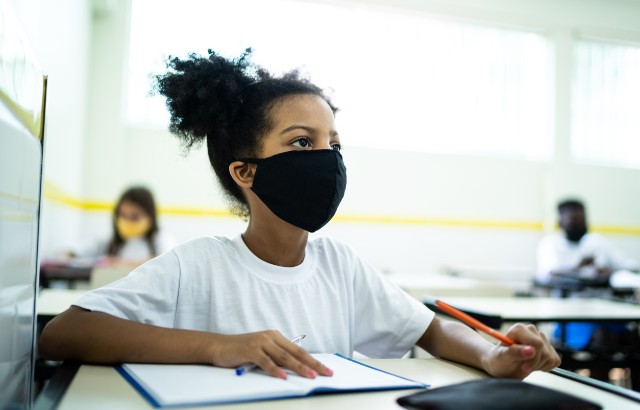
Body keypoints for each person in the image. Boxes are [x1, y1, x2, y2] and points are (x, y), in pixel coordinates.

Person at [39, 49, 560, 380]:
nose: (327, 159)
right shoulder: (195, 266)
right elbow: (64, 333)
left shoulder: (341, 266)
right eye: (302, 142)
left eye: (333, 142)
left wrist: (492, 353)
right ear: (245, 172)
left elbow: (434, 331)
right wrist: (217, 347)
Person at [536, 199, 639, 366]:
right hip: (570, 316)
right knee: (602, 338)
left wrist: (609, 272)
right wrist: (577, 267)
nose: (578, 222)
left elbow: (630, 265)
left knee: (631, 337)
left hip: (605, 313)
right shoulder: (551, 244)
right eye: (573, 219)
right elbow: (548, 273)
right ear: (560, 221)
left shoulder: (597, 242)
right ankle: (598, 386)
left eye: (581, 218)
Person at [72, 186, 177, 268]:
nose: (127, 221)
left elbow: (169, 262)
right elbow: (81, 250)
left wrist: (123, 264)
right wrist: (70, 253)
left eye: (134, 217)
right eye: (123, 215)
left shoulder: (162, 239)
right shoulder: (111, 242)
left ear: (150, 217)